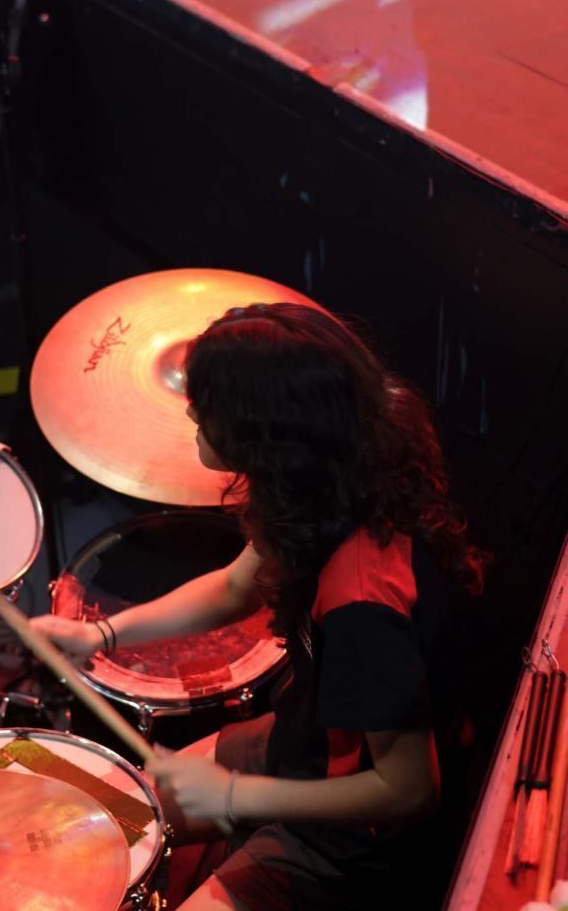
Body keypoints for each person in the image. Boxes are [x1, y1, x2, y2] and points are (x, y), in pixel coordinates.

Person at [31, 302, 487, 910]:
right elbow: (232, 588)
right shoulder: (321, 486)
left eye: (206, 409)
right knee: (109, 814)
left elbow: (408, 790)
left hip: (351, 834)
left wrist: (233, 797)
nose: (190, 412)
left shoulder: (362, 599)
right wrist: (102, 635)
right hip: (305, 743)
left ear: (263, 435)